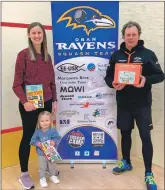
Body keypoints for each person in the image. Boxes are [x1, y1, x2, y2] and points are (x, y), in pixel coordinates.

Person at [105, 21, 165, 190]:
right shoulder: (116, 55)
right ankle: (126, 162)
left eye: (134, 34)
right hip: (123, 104)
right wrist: (113, 84)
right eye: (128, 34)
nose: (130, 37)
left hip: (142, 105)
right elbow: (108, 77)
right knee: (125, 134)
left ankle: (148, 173)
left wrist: (146, 80)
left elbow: (160, 75)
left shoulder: (148, 54)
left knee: (145, 137)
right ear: (123, 36)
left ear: (138, 36)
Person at [12, 22, 58, 189]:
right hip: (30, 104)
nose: (37, 35)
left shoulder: (47, 56)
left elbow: (52, 82)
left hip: (45, 101)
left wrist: (54, 101)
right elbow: (16, 84)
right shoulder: (23, 55)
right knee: (28, 137)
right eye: (34, 33)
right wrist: (25, 102)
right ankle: (24, 174)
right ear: (29, 35)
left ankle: (47, 168)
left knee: (46, 137)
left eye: (40, 33)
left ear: (43, 35)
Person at [30, 111, 61, 188]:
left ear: (50, 121)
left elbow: (58, 138)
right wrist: (38, 144)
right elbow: (32, 141)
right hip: (41, 154)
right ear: (39, 122)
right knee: (42, 167)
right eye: (42, 121)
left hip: (51, 152)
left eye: (47, 120)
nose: (44, 123)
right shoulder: (37, 132)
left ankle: (52, 176)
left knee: (52, 165)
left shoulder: (53, 130)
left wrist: (54, 142)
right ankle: (42, 178)